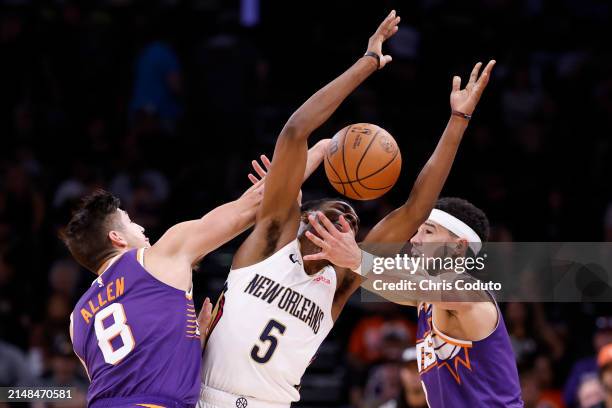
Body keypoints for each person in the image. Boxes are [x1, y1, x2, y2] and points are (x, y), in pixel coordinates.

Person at [63, 182, 264, 408]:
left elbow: (123, 378)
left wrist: (188, 343)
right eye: (130, 222)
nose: (141, 228)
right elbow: (248, 209)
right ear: (117, 238)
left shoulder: (76, 319)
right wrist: (292, 164)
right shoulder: (154, 259)